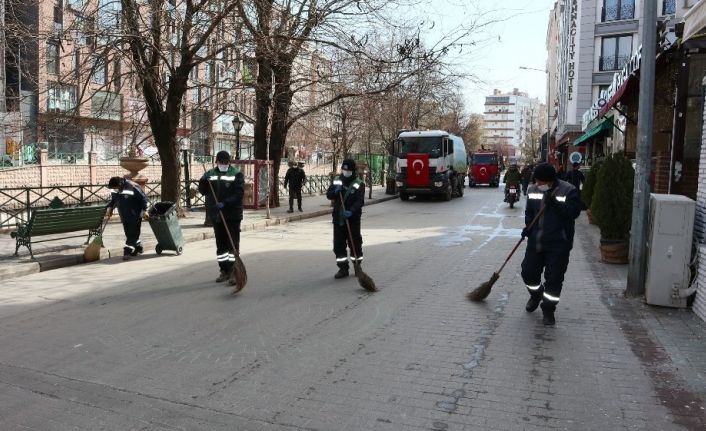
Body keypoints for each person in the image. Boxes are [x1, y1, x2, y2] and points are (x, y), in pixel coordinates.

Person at [521, 163, 582, 326]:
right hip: (536, 241)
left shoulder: (568, 190)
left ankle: (548, 309)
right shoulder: (533, 189)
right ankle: (536, 293)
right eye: (537, 181)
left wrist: (555, 203)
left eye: (541, 182)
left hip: (559, 243)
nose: (538, 184)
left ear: (550, 180)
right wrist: (528, 227)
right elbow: (529, 211)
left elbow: (574, 213)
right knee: (527, 272)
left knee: (554, 279)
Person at [198, 151, 245, 283]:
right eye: (221, 162)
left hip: (232, 215)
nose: (223, 164)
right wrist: (202, 180)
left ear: (229, 162)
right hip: (217, 215)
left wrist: (225, 203)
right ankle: (225, 271)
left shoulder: (236, 174)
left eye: (226, 162)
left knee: (233, 245)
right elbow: (203, 191)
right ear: (216, 161)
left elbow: (239, 194)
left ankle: (235, 272)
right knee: (221, 246)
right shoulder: (211, 174)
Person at [326, 159, 365, 279]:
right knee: (338, 244)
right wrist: (334, 192)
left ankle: (357, 265)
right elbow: (329, 195)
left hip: (352, 219)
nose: (345, 172)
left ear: (353, 171)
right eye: (344, 169)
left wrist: (351, 211)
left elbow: (360, 201)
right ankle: (343, 268)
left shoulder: (359, 183)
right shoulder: (337, 180)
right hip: (338, 218)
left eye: (348, 170)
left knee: (355, 244)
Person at [106, 176, 149, 261]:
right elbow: (114, 199)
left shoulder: (132, 186)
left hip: (135, 215)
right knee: (128, 233)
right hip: (124, 215)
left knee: (132, 234)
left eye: (116, 187)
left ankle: (127, 252)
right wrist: (110, 208)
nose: (115, 189)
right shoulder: (115, 189)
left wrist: (145, 210)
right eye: (114, 188)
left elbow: (143, 198)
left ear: (120, 184)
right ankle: (138, 247)